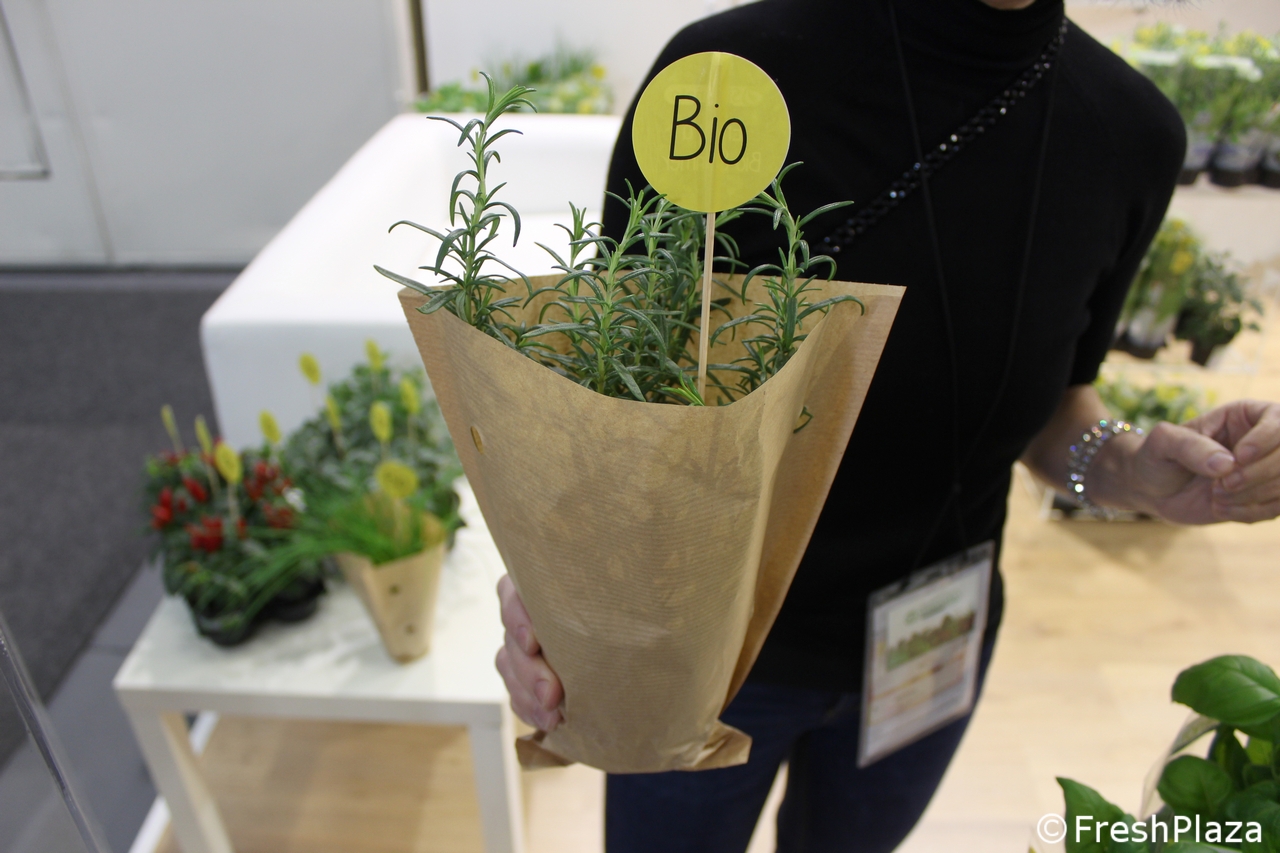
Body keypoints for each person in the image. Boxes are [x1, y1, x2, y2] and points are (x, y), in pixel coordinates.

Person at [495, 0, 1280, 850]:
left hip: (929, 648)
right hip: (699, 648)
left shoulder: (1129, 133)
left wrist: (1128, 467)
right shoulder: (727, 75)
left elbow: (1056, 405)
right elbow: (617, 392)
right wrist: (557, 585)